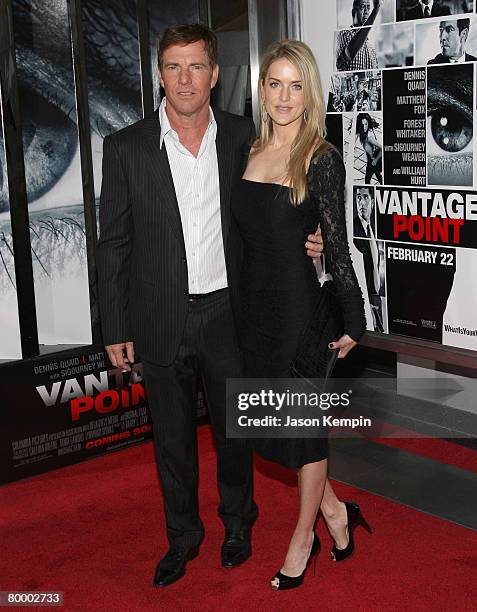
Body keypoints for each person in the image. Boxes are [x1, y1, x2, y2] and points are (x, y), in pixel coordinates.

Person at [96, 24, 324, 588]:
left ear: (216, 74)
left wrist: (314, 234)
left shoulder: (244, 137)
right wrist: (116, 324)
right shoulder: (125, 146)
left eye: (196, 66)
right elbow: (113, 243)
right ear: (160, 74)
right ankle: (183, 538)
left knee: (235, 433)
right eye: (173, 67)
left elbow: (281, 198)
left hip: (230, 311)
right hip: (159, 317)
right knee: (171, 440)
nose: (185, 79)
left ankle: (238, 526)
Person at [231, 40, 371, 590]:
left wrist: (353, 319)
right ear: (261, 89)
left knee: (305, 432)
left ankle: (303, 537)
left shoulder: (321, 157)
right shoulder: (248, 148)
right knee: (277, 427)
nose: (284, 96)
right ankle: (338, 512)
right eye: (274, 83)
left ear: (308, 92)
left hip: (303, 314)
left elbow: (336, 244)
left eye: (295, 85)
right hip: (256, 312)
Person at [353, 187, 384, 332]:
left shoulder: (375, 228)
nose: (361, 203)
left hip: (378, 297)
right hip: (365, 297)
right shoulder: (353, 228)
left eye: (365, 197)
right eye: (358, 197)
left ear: (372, 202)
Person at [335, 0, 383, 71]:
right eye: (362, 7)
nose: (366, 12)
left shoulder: (371, 48)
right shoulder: (345, 34)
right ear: (353, 13)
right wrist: (375, 10)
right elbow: (350, 53)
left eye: (368, 8)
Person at [356, 113, 382, 184]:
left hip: (373, 160)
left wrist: (376, 160)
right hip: (370, 159)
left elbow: (382, 148)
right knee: (377, 175)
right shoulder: (361, 133)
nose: (364, 127)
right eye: (362, 125)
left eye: (366, 124)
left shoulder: (369, 138)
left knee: (367, 180)